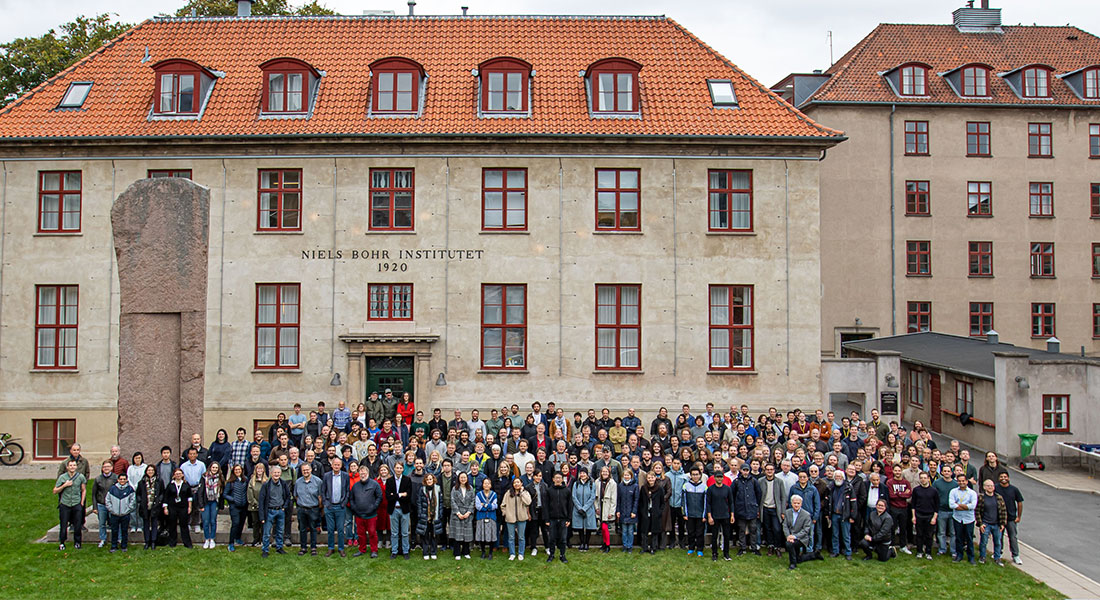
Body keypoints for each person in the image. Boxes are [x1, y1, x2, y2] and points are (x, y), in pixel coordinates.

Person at [258, 464, 292, 557]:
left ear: (280, 474)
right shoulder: (266, 485)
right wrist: (262, 516)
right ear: (271, 474)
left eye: (278, 473)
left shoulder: (284, 484)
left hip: (280, 510)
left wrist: (284, 507)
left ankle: (279, 548)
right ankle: (265, 549)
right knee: (267, 532)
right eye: (275, 473)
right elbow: (261, 501)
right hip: (269, 511)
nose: (276, 474)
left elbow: (288, 497)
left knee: (280, 531)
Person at [54, 458, 87, 551]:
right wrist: (64, 485)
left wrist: (81, 502)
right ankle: (62, 542)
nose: (72, 467)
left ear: (76, 467)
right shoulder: (62, 477)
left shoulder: (80, 477)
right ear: (67, 467)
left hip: (76, 502)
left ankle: (77, 542)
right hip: (65, 503)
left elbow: (83, 489)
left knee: (77, 524)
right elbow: (55, 490)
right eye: (71, 465)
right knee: (63, 524)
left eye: (74, 465)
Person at [323, 458, 351, 557]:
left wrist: (344, 502)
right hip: (329, 506)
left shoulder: (345, 476)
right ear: (332, 465)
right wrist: (326, 503)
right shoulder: (326, 476)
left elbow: (347, 491)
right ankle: (330, 548)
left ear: (341, 465)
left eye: (338, 465)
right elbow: (323, 491)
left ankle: (341, 548)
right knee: (330, 529)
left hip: (340, 506)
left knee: (340, 529)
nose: (336, 466)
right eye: (335, 464)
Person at [975, 479, 1007, 566]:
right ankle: (982, 557)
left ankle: (997, 558)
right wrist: (980, 523)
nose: (990, 487)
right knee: (984, 542)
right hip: (986, 524)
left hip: (996, 524)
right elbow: (977, 511)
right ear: (984, 487)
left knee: (998, 542)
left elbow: (1003, 511)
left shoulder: (999, 498)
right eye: (988, 486)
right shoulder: (981, 497)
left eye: (992, 486)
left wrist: (1002, 524)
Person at [732, 464, 762, 556]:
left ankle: (754, 548)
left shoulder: (754, 481)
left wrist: (756, 506)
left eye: (747, 470)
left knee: (753, 529)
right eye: (744, 470)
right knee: (741, 530)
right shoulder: (736, 481)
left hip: (752, 509)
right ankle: (742, 547)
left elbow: (759, 494)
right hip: (740, 510)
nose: (745, 472)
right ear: (740, 470)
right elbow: (732, 495)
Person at [293, 462, 323, 556]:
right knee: (302, 529)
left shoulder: (318, 481)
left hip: (313, 508)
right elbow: (296, 496)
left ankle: (313, 547)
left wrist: (318, 508)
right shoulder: (298, 482)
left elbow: (320, 497)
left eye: (307, 470)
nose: (305, 472)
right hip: (301, 508)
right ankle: (303, 547)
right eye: (303, 470)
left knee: (313, 529)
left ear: (311, 470)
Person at [995, 471, 1024, 565]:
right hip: (998, 518)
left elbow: (1020, 502)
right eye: (1001, 476)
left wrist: (1018, 516)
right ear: (999, 478)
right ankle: (998, 553)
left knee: (1013, 537)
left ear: (1009, 478)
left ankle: (1016, 555)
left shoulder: (1014, 489)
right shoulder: (995, 488)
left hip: (1011, 518)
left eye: (1005, 476)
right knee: (999, 537)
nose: (1003, 478)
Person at [386, 461, 413, 559]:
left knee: (405, 532)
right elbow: (388, 497)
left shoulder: (407, 480)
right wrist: (401, 494)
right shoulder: (389, 481)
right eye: (397, 468)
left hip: (404, 509)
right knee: (394, 533)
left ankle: (405, 551)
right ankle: (394, 551)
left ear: (402, 469)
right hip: (393, 509)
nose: (398, 470)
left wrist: (395, 495)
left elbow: (408, 496)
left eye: (400, 468)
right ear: (394, 469)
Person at [706, 469, 735, 561]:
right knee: (714, 536)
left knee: (726, 535)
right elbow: (708, 503)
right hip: (715, 516)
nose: (719, 479)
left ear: (723, 478)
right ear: (714, 478)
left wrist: (732, 515)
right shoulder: (711, 489)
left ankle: (726, 553)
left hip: (725, 515)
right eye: (717, 477)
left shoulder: (727, 489)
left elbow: (731, 503)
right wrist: (709, 516)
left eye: (721, 477)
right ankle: (714, 553)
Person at [949, 473, 978, 564]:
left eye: (963, 481)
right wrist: (966, 506)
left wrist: (959, 505)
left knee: (969, 538)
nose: (961, 482)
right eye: (959, 481)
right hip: (957, 518)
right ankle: (959, 555)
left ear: (966, 481)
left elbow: (973, 506)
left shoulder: (972, 493)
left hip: (969, 519)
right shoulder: (953, 491)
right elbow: (951, 505)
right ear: (957, 481)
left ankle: (971, 557)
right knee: (958, 537)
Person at [501, 476, 532, 560]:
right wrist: (506, 513)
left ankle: (521, 553)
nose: (516, 484)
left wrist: (521, 493)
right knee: (511, 537)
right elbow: (503, 505)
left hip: (522, 518)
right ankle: (512, 553)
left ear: (521, 483)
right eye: (515, 482)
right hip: (510, 518)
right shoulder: (508, 493)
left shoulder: (525, 492)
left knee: (521, 537)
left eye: (518, 482)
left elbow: (528, 502)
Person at [162, 467, 193, 548]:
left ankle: (187, 543)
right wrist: (165, 508)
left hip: (183, 507)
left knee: (184, 525)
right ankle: (172, 542)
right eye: (176, 474)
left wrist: (189, 507)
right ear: (174, 475)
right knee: (172, 525)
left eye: (179, 474)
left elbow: (189, 496)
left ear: (182, 475)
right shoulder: (170, 485)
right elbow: (166, 497)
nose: (178, 475)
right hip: (172, 507)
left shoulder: (186, 484)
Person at [89, 460, 118, 547]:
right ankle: (103, 539)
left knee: (114, 523)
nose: (106, 468)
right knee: (102, 523)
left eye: (108, 467)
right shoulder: (98, 479)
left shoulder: (116, 478)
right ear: (102, 468)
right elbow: (94, 494)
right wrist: (95, 507)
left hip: (112, 505)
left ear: (112, 468)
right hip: (101, 504)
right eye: (105, 467)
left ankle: (115, 539)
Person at [545, 471, 572, 563]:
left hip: (563, 519)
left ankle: (562, 555)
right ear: (553, 479)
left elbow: (569, 505)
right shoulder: (549, 490)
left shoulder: (567, 490)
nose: (557, 479)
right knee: (552, 538)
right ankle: (551, 555)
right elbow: (546, 505)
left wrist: (569, 519)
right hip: (552, 519)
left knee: (563, 539)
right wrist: (547, 519)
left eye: (559, 478)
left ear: (562, 479)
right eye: (556, 478)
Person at [911, 470, 938, 559]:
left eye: (925, 478)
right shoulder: (916, 490)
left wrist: (934, 518)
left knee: (929, 535)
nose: (923, 480)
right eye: (921, 478)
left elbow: (937, 505)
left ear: (928, 479)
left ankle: (928, 552)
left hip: (930, 515)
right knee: (919, 534)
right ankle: (919, 551)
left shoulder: (933, 491)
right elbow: (913, 504)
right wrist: (913, 516)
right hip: (919, 515)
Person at [105, 473, 136, 552]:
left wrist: (127, 510)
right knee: (114, 530)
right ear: (118, 480)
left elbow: (133, 501)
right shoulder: (112, 489)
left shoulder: (130, 489)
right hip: (114, 514)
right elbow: (107, 500)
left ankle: (124, 546)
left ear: (126, 480)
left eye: (124, 479)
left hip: (125, 514)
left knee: (124, 530)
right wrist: (112, 510)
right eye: (121, 479)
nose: (122, 481)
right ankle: (114, 546)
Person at [638, 471, 666, 554]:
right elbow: (641, 501)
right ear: (647, 478)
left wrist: (659, 512)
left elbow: (662, 502)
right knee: (644, 531)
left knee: (655, 532)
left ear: (655, 478)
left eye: (652, 477)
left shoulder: (659, 488)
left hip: (655, 514)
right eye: (649, 477)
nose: (651, 479)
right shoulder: (644, 488)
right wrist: (642, 511)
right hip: (646, 513)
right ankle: (644, 547)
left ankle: (654, 547)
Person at [416, 473, 443, 559]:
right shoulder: (422, 490)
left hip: (435, 516)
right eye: (427, 479)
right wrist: (421, 514)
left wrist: (440, 513)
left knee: (434, 535)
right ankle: (425, 552)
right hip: (425, 516)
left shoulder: (438, 489)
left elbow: (441, 502)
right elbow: (419, 502)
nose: (429, 481)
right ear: (425, 481)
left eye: (431, 479)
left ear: (433, 480)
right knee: (425, 535)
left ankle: (433, 552)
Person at [885, 467, 912, 553]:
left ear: (901, 471)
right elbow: (891, 495)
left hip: (904, 508)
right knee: (892, 527)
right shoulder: (890, 482)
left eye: (899, 470)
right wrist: (903, 493)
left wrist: (897, 493)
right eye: (895, 470)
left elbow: (909, 495)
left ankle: (903, 546)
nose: (897, 472)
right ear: (893, 471)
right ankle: (892, 545)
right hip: (893, 508)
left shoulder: (906, 482)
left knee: (903, 528)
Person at [783, 494, 814, 569]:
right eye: (794, 503)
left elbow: (806, 530)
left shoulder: (806, 515)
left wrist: (794, 536)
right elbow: (785, 526)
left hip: (801, 538)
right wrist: (788, 536)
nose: (796, 505)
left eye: (798, 503)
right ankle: (814, 555)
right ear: (791, 503)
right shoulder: (787, 512)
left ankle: (793, 564)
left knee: (789, 544)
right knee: (798, 558)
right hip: (790, 537)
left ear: (801, 504)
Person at [682, 467, 707, 557]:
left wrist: (705, 515)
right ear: (690, 476)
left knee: (700, 533)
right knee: (691, 532)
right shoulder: (686, 486)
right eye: (693, 475)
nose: (695, 476)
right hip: (690, 514)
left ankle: (700, 549)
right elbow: (684, 501)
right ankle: (691, 548)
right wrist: (684, 513)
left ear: (700, 475)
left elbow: (706, 502)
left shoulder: (704, 487)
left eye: (697, 474)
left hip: (700, 515)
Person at [223, 464, 249, 552]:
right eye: (236, 470)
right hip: (234, 506)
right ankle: (231, 543)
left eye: (239, 470)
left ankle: (238, 538)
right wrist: (233, 499)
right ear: (233, 471)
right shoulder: (230, 482)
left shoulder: (245, 480)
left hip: (244, 505)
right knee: (235, 523)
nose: (238, 471)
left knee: (242, 523)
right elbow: (225, 494)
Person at [933, 464, 957, 557]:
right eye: (945, 471)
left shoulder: (955, 484)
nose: (946, 473)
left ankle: (953, 550)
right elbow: (934, 497)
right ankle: (942, 549)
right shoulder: (937, 483)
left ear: (951, 473)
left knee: (953, 533)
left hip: (953, 511)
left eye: (948, 471)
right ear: (942, 472)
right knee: (941, 532)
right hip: (941, 511)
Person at [135, 464, 162, 550]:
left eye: (152, 470)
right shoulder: (141, 482)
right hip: (145, 507)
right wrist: (140, 501)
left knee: (154, 524)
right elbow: (138, 494)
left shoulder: (159, 481)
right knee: (146, 524)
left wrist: (159, 501)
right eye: (149, 470)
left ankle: (153, 541)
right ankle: (147, 541)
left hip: (155, 506)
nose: (150, 472)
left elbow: (162, 492)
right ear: (146, 472)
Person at [450, 471, 475, 560]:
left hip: (467, 514)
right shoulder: (455, 489)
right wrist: (458, 513)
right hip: (457, 514)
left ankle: (466, 552)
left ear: (467, 479)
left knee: (466, 535)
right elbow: (452, 501)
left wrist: (468, 512)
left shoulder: (470, 488)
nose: (463, 479)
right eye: (461, 477)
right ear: (459, 479)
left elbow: (473, 501)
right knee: (458, 535)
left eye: (465, 477)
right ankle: (457, 553)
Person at [570, 468, 596, 552]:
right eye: (581, 473)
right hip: (578, 509)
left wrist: (584, 508)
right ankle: (581, 542)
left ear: (587, 474)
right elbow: (574, 496)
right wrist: (580, 508)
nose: (582, 475)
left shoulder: (592, 484)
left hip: (588, 509)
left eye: (584, 473)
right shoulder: (576, 484)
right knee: (580, 527)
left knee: (588, 527)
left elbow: (592, 497)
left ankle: (587, 543)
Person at [594, 466, 617, 553]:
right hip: (600, 506)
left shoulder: (612, 483)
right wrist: (596, 507)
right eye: (603, 472)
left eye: (606, 472)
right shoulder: (597, 482)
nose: (604, 473)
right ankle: (604, 543)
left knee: (604, 527)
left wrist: (612, 511)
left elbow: (614, 498)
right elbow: (595, 497)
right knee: (602, 527)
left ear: (609, 473)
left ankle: (607, 545)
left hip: (607, 507)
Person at [474, 476, 499, 559]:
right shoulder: (478, 494)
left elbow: (495, 506)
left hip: (491, 517)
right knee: (482, 535)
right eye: (485, 483)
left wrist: (484, 504)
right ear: (483, 485)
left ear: (490, 485)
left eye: (488, 483)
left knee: (491, 536)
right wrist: (489, 506)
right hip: (481, 517)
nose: (486, 485)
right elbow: (478, 506)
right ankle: (483, 552)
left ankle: (491, 552)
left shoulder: (494, 494)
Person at [616, 468, 639, 553]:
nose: (626, 476)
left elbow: (636, 500)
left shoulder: (635, 486)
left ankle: (630, 546)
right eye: (625, 475)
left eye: (628, 475)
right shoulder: (620, 486)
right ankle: (624, 545)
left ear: (631, 476)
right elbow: (618, 499)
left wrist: (634, 511)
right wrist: (618, 511)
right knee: (624, 531)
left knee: (630, 531)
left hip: (631, 512)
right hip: (622, 512)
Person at [246, 462, 268, 547]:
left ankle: (262, 539)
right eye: (258, 469)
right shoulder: (252, 480)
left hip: (263, 506)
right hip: (254, 506)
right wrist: (255, 503)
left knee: (263, 523)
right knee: (255, 523)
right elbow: (249, 493)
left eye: (261, 469)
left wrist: (262, 504)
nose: (260, 470)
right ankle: (255, 539)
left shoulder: (267, 480)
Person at [126, 452, 146, 533]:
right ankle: (133, 525)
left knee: (140, 508)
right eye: (136, 458)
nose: (137, 460)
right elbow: (128, 478)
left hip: (141, 490)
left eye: (139, 458)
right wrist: (133, 486)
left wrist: (139, 487)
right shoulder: (130, 468)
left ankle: (141, 526)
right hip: (132, 490)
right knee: (132, 509)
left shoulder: (145, 467)